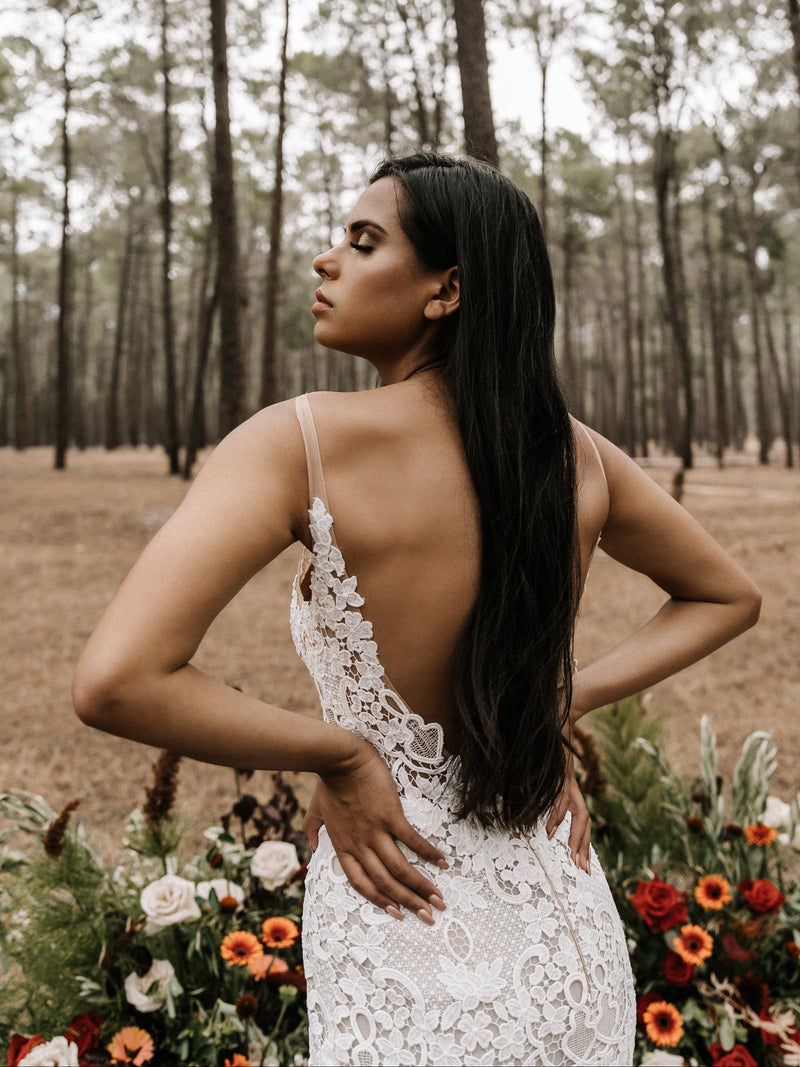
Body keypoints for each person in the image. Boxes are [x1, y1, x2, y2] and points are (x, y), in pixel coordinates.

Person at [73, 152, 761, 1066]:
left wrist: (342, 752)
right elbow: (727, 595)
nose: (326, 261)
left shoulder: (302, 442)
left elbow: (116, 680)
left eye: (363, 242)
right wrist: (561, 703)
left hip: (397, 908)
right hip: (569, 939)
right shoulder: (573, 454)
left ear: (446, 290)